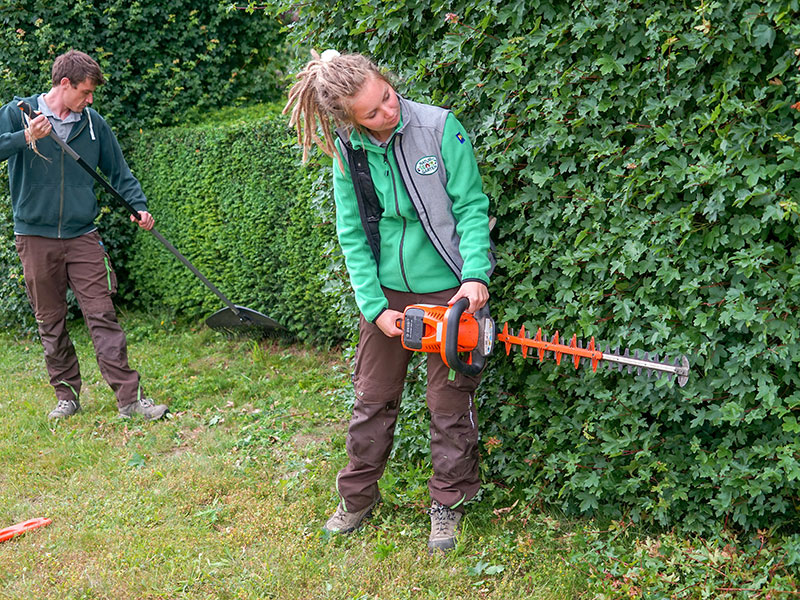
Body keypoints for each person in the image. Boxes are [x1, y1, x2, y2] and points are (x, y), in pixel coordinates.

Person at [283, 50, 494, 553]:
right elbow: (352, 232)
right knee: (372, 400)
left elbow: (470, 207)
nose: (387, 111)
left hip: (452, 289)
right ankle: (357, 497)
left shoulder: (441, 128)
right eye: (372, 112)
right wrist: (374, 307)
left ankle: (447, 501)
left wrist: (474, 277)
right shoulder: (348, 151)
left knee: (449, 404)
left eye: (387, 96)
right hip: (387, 294)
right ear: (348, 120)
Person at [0, 50, 168, 421]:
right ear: (65, 84)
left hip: (82, 236)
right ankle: (67, 395)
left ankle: (129, 399)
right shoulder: (18, 113)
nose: (89, 100)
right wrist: (25, 136)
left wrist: (137, 205)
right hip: (35, 236)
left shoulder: (92, 124)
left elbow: (119, 172)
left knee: (102, 314)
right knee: (51, 321)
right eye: (86, 92)